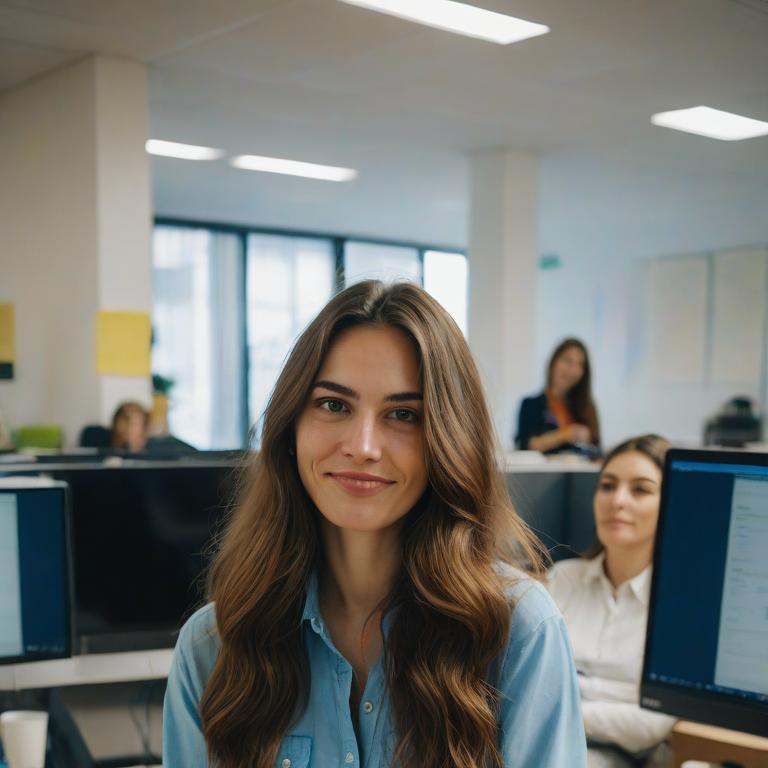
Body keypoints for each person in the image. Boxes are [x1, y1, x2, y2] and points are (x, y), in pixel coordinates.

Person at [163, 280, 587, 768]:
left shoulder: (518, 635)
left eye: (404, 414)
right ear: (291, 426)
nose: (363, 445)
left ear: (447, 440)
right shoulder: (213, 647)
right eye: (334, 405)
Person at [547, 435, 676, 768]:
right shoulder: (563, 579)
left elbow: (651, 724)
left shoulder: (678, 604)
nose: (618, 500)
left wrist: (563, 707)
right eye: (607, 486)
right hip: (542, 742)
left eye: (640, 490)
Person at [515, 338, 600, 456]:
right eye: (568, 360)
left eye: (580, 364)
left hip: (579, 473)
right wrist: (566, 435)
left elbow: (597, 449)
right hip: (544, 473)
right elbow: (525, 446)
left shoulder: (586, 407)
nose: (573, 369)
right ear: (553, 362)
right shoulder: (531, 405)